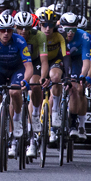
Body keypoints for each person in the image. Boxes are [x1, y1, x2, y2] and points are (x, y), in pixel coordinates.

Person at [0, 11, 34, 158]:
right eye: (2, 30)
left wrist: (25, 80)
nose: (6, 33)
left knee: (15, 92)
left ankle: (16, 124)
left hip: (17, 70)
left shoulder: (20, 41)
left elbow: (29, 67)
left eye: (9, 30)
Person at [14, 9, 66, 158]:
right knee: (12, 92)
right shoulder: (11, 34)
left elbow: (43, 62)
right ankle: (10, 135)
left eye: (27, 28)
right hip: (17, 63)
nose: (24, 31)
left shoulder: (39, 36)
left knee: (34, 85)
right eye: (20, 28)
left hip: (34, 62)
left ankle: (35, 119)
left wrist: (43, 78)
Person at [32, 7, 69, 144]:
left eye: (51, 25)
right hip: (38, 62)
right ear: (39, 25)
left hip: (54, 61)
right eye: (44, 25)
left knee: (55, 78)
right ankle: (35, 115)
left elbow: (65, 56)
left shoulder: (60, 35)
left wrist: (67, 75)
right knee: (34, 86)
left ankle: (55, 111)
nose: (47, 29)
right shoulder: (34, 35)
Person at [59, 12, 91, 139]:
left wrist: (84, 77)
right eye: (67, 29)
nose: (70, 33)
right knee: (54, 84)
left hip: (77, 60)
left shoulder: (85, 37)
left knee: (78, 88)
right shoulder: (55, 34)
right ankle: (52, 122)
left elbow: (89, 63)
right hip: (61, 59)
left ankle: (79, 124)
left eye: (73, 29)